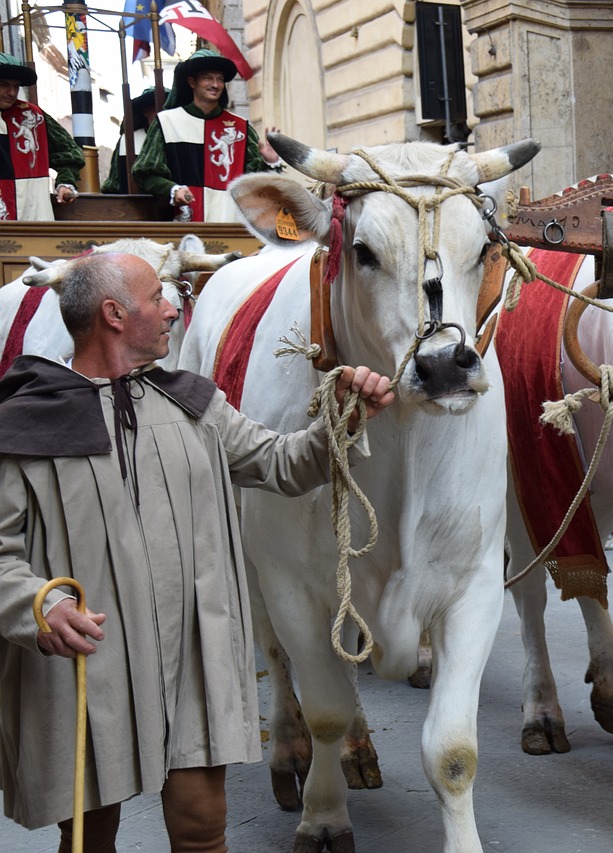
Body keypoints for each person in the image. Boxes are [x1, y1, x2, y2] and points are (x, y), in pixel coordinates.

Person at [0, 253, 394, 851]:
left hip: (191, 657)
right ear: (113, 314)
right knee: (87, 837)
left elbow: (283, 464)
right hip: (87, 664)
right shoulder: (25, 424)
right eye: (158, 296)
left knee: (201, 829)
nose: (172, 307)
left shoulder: (195, 404)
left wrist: (343, 416)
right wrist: (36, 606)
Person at [132, 49, 282, 222]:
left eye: (219, 79)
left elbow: (255, 182)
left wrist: (269, 162)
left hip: (233, 226)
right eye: (208, 78)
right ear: (192, 82)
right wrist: (173, 189)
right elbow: (144, 173)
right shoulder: (167, 122)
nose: (215, 84)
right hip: (184, 225)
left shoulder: (241, 127)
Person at [0, 52, 83, 220]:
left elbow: (70, 154)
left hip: (32, 213)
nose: (12, 92)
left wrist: (65, 182)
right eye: (4, 85)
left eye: (16, 86)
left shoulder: (33, 115)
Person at [101, 88, 159, 194]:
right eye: (157, 109)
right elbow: (115, 182)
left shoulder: (175, 137)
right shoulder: (128, 140)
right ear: (146, 112)